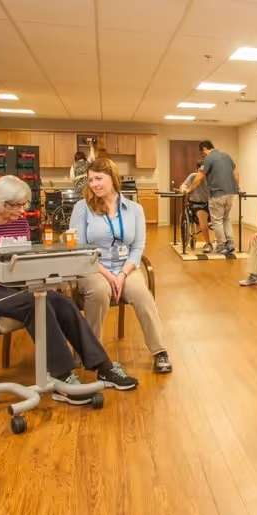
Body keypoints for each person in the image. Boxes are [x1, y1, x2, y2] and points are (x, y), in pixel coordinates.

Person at [0, 175, 139, 401]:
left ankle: (103, 366)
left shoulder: (19, 223)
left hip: (12, 289)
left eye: (24, 205)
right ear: (0, 202)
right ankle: (61, 375)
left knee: (61, 301)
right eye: (17, 206)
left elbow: (25, 260)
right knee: (34, 303)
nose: (22, 211)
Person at [70, 158, 172, 374]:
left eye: (99, 178)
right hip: (93, 267)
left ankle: (159, 351)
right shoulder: (82, 207)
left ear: (113, 178)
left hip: (125, 267)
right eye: (90, 180)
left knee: (142, 295)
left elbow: (138, 246)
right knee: (98, 292)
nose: (94, 184)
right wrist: (108, 274)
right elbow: (78, 247)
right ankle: (90, 352)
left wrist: (123, 274)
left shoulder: (134, 209)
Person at [181, 140, 239, 254]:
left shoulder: (209, 158)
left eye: (202, 153)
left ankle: (221, 245)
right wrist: (237, 188)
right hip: (230, 193)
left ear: (204, 149)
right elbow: (236, 173)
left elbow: (200, 176)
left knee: (216, 221)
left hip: (217, 194)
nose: (203, 155)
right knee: (226, 218)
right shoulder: (226, 156)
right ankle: (230, 243)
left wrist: (189, 189)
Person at [179, 159, 213, 254]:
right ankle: (208, 243)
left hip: (211, 204)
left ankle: (223, 242)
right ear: (197, 170)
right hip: (197, 205)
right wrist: (184, 189)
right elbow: (183, 186)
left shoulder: (211, 178)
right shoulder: (193, 176)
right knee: (203, 217)